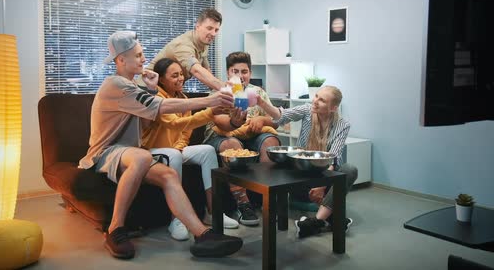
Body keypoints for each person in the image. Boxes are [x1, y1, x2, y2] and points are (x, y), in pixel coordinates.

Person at [79, 30, 243, 260]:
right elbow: (163, 107)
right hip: (105, 152)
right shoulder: (115, 85)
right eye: (138, 55)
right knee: (143, 157)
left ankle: (202, 235)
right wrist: (210, 100)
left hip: (129, 152)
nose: (144, 59)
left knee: (168, 175)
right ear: (121, 60)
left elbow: (147, 122)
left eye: (142, 54)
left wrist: (152, 90)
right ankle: (115, 229)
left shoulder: (133, 86)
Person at [141, 58, 240, 235]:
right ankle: (177, 219)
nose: (180, 78)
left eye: (181, 74)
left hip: (174, 149)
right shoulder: (157, 99)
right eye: (174, 75)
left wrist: (179, 145)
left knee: (208, 151)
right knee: (174, 155)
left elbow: (186, 132)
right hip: (152, 150)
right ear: (161, 80)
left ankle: (213, 212)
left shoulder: (183, 99)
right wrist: (210, 112)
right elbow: (176, 124)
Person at [256, 85, 358, 239]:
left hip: (325, 176)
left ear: (333, 108)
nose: (315, 101)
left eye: (322, 100)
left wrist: (321, 186)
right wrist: (262, 103)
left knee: (350, 169)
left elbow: (334, 157)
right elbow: (281, 116)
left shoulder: (343, 125)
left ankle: (313, 223)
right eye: (316, 96)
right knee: (284, 160)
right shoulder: (307, 110)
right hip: (301, 175)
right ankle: (336, 221)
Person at [203, 51, 281, 226]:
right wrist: (234, 121)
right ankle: (243, 204)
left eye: (244, 72)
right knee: (233, 144)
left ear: (250, 73)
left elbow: (276, 121)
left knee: (270, 141)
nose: (240, 76)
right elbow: (221, 124)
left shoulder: (257, 92)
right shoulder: (218, 93)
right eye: (235, 71)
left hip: (252, 136)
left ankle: (268, 198)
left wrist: (262, 119)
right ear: (228, 73)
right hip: (221, 136)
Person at [145, 8, 226, 91]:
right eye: (209, 28)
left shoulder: (204, 42)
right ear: (197, 26)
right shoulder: (184, 45)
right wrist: (225, 89)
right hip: (147, 87)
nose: (213, 33)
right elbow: (197, 70)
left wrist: (217, 88)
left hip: (169, 89)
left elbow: (206, 70)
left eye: (216, 30)